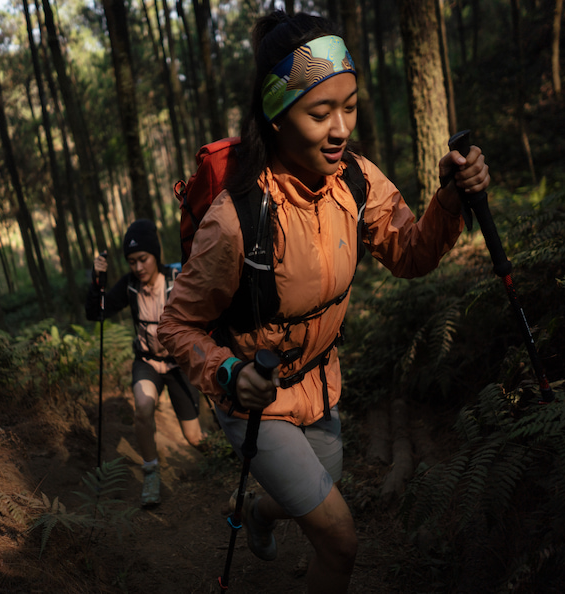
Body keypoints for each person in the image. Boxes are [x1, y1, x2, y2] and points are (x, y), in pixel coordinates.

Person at [157, 10, 490, 593]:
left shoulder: (356, 180)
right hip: (255, 402)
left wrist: (450, 198)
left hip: (320, 384)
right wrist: (228, 372)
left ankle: (260, 512)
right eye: (319, 112)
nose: (340, 129)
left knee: (325, 477)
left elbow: (410, 253)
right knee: (339, 539)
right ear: (276, 117)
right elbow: (177, 325)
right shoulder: (236, 220)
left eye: (350, 106)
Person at [86, 219, 207, 507]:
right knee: (142, 407)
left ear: (155, 255)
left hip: (179, 365)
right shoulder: (129, 286)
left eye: (143, 259)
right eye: (132, 262)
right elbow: (96, 312)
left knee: (194, 438)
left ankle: (222, 457)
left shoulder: (177, 276)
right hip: (147, 362)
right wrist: (96, 280)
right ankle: (151, 470)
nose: (138, 267)